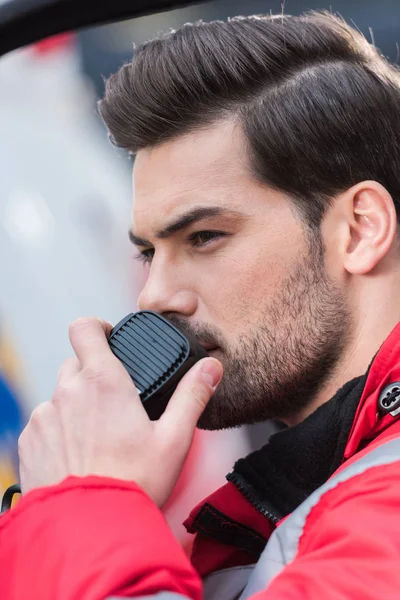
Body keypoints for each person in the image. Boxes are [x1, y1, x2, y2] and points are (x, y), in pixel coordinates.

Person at [3, 10, 400, 599]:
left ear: (360, 230)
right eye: (148, 253)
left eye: (205, 238)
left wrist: (86, 501)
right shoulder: (267, 517)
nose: (154, 297)